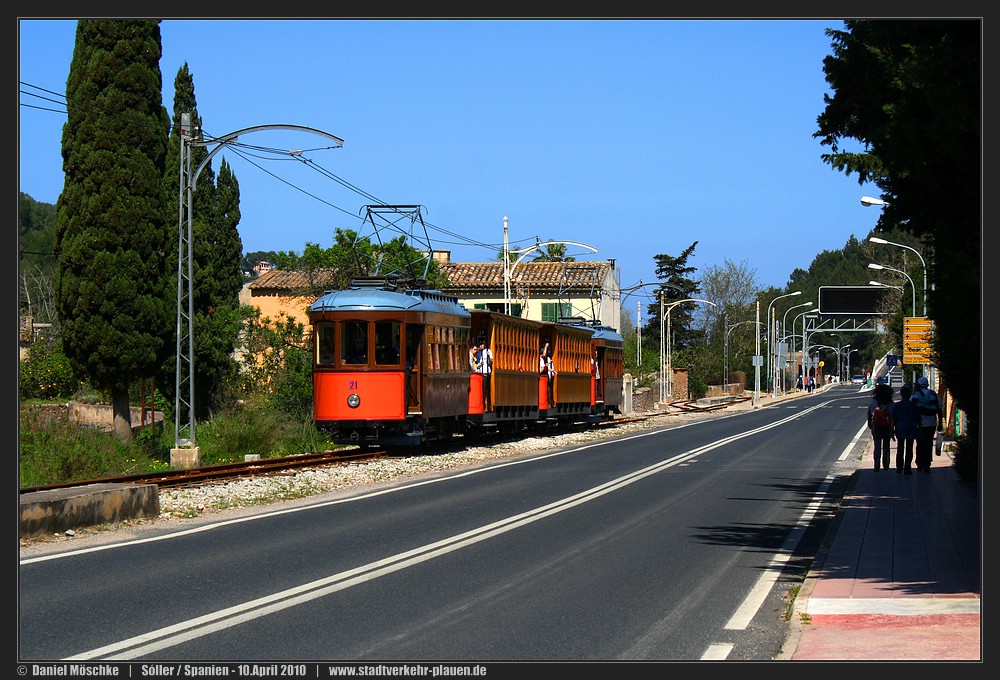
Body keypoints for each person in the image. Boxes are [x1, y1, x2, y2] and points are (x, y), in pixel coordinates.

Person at [911, 375, 944, 472]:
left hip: (919, 425)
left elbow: (912, 411)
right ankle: (927, 464)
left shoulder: (915, 395)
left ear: (919, 385)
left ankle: (920, 464)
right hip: (931, 423)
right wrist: (940, 423)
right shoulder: (933, 394)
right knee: (929, 443)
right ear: (927, 385)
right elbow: (939, 409)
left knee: (920, 443)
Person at [891, 383, 919, 474]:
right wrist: (920, 429)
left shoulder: (897, 405)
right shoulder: (913, 405)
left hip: (900, 427)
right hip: (911, 427)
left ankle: (899, 467)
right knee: (909, 447)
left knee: (900, 447)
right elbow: (918, 418)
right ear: (910, 394)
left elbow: (893, 419)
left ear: (901, 394)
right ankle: (907, 467)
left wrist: (892, 430)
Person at [867, 382, 894, 471]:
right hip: (887, 426)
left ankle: (876, 466)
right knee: (886, 446)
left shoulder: (874, 402)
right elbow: (893, 416)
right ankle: (886, 465)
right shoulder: (890, 403)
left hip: (876, 426)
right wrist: (893, 429)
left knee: (877, 446)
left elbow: (869, 414)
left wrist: (870, 424)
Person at [478, 340, 493, 410]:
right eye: (481, 344)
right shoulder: (478, 352)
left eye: (484, 344)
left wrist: (489, 356)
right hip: (479, 372)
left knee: (485, 389)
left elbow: (491, 362)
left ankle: (485, 404)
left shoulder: (488, 351)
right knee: (480, 389)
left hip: (486, 372)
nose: (483, 345)